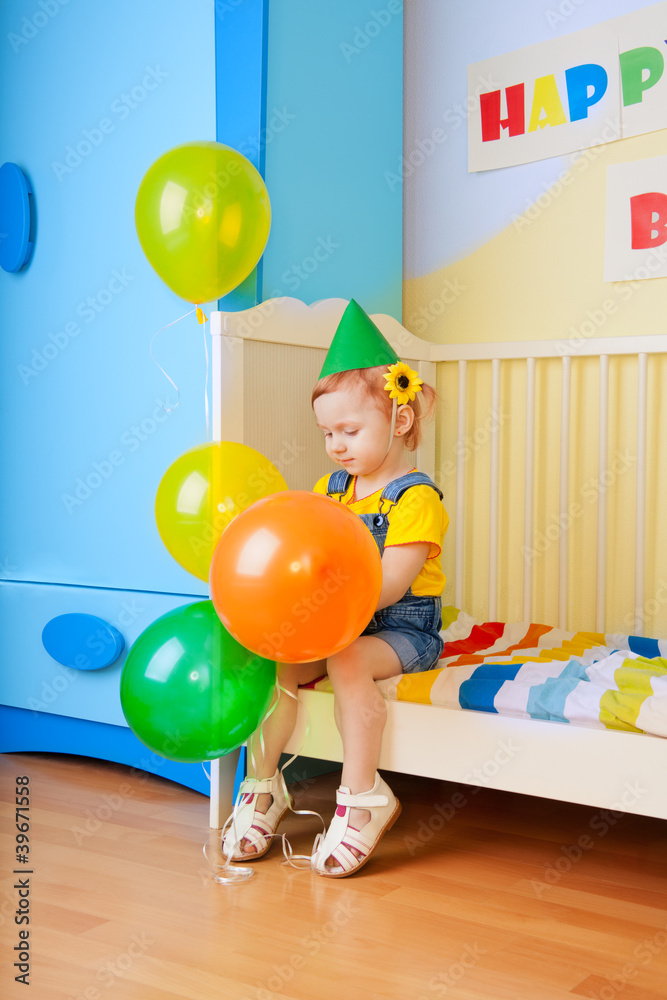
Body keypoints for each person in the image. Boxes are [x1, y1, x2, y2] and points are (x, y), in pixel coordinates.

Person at [221, 299, 449, 878]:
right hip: (335, 618)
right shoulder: (332, 487)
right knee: (277, 660)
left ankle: (363, 797)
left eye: (350, 430)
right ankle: (264, 783)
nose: (337, 445)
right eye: (328, 432)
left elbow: (392, 587)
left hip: (398, 630)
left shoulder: (415, 498)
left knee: (346, 659)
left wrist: (324, 614)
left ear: (399, 421)